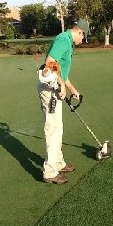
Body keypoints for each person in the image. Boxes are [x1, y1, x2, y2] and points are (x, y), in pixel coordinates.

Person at [37, 20, 89, 184]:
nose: (82, 42)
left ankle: (58, 163)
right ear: (80, 32)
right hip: (50, 89)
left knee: (57, 128)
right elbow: (49, 62)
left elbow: (60, 70)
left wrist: (72, 89)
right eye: (84, 38)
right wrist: (59, 84)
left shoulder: (67, 41)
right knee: (53, 128)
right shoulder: (63, 40)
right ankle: (50, 172)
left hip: (54, 87)